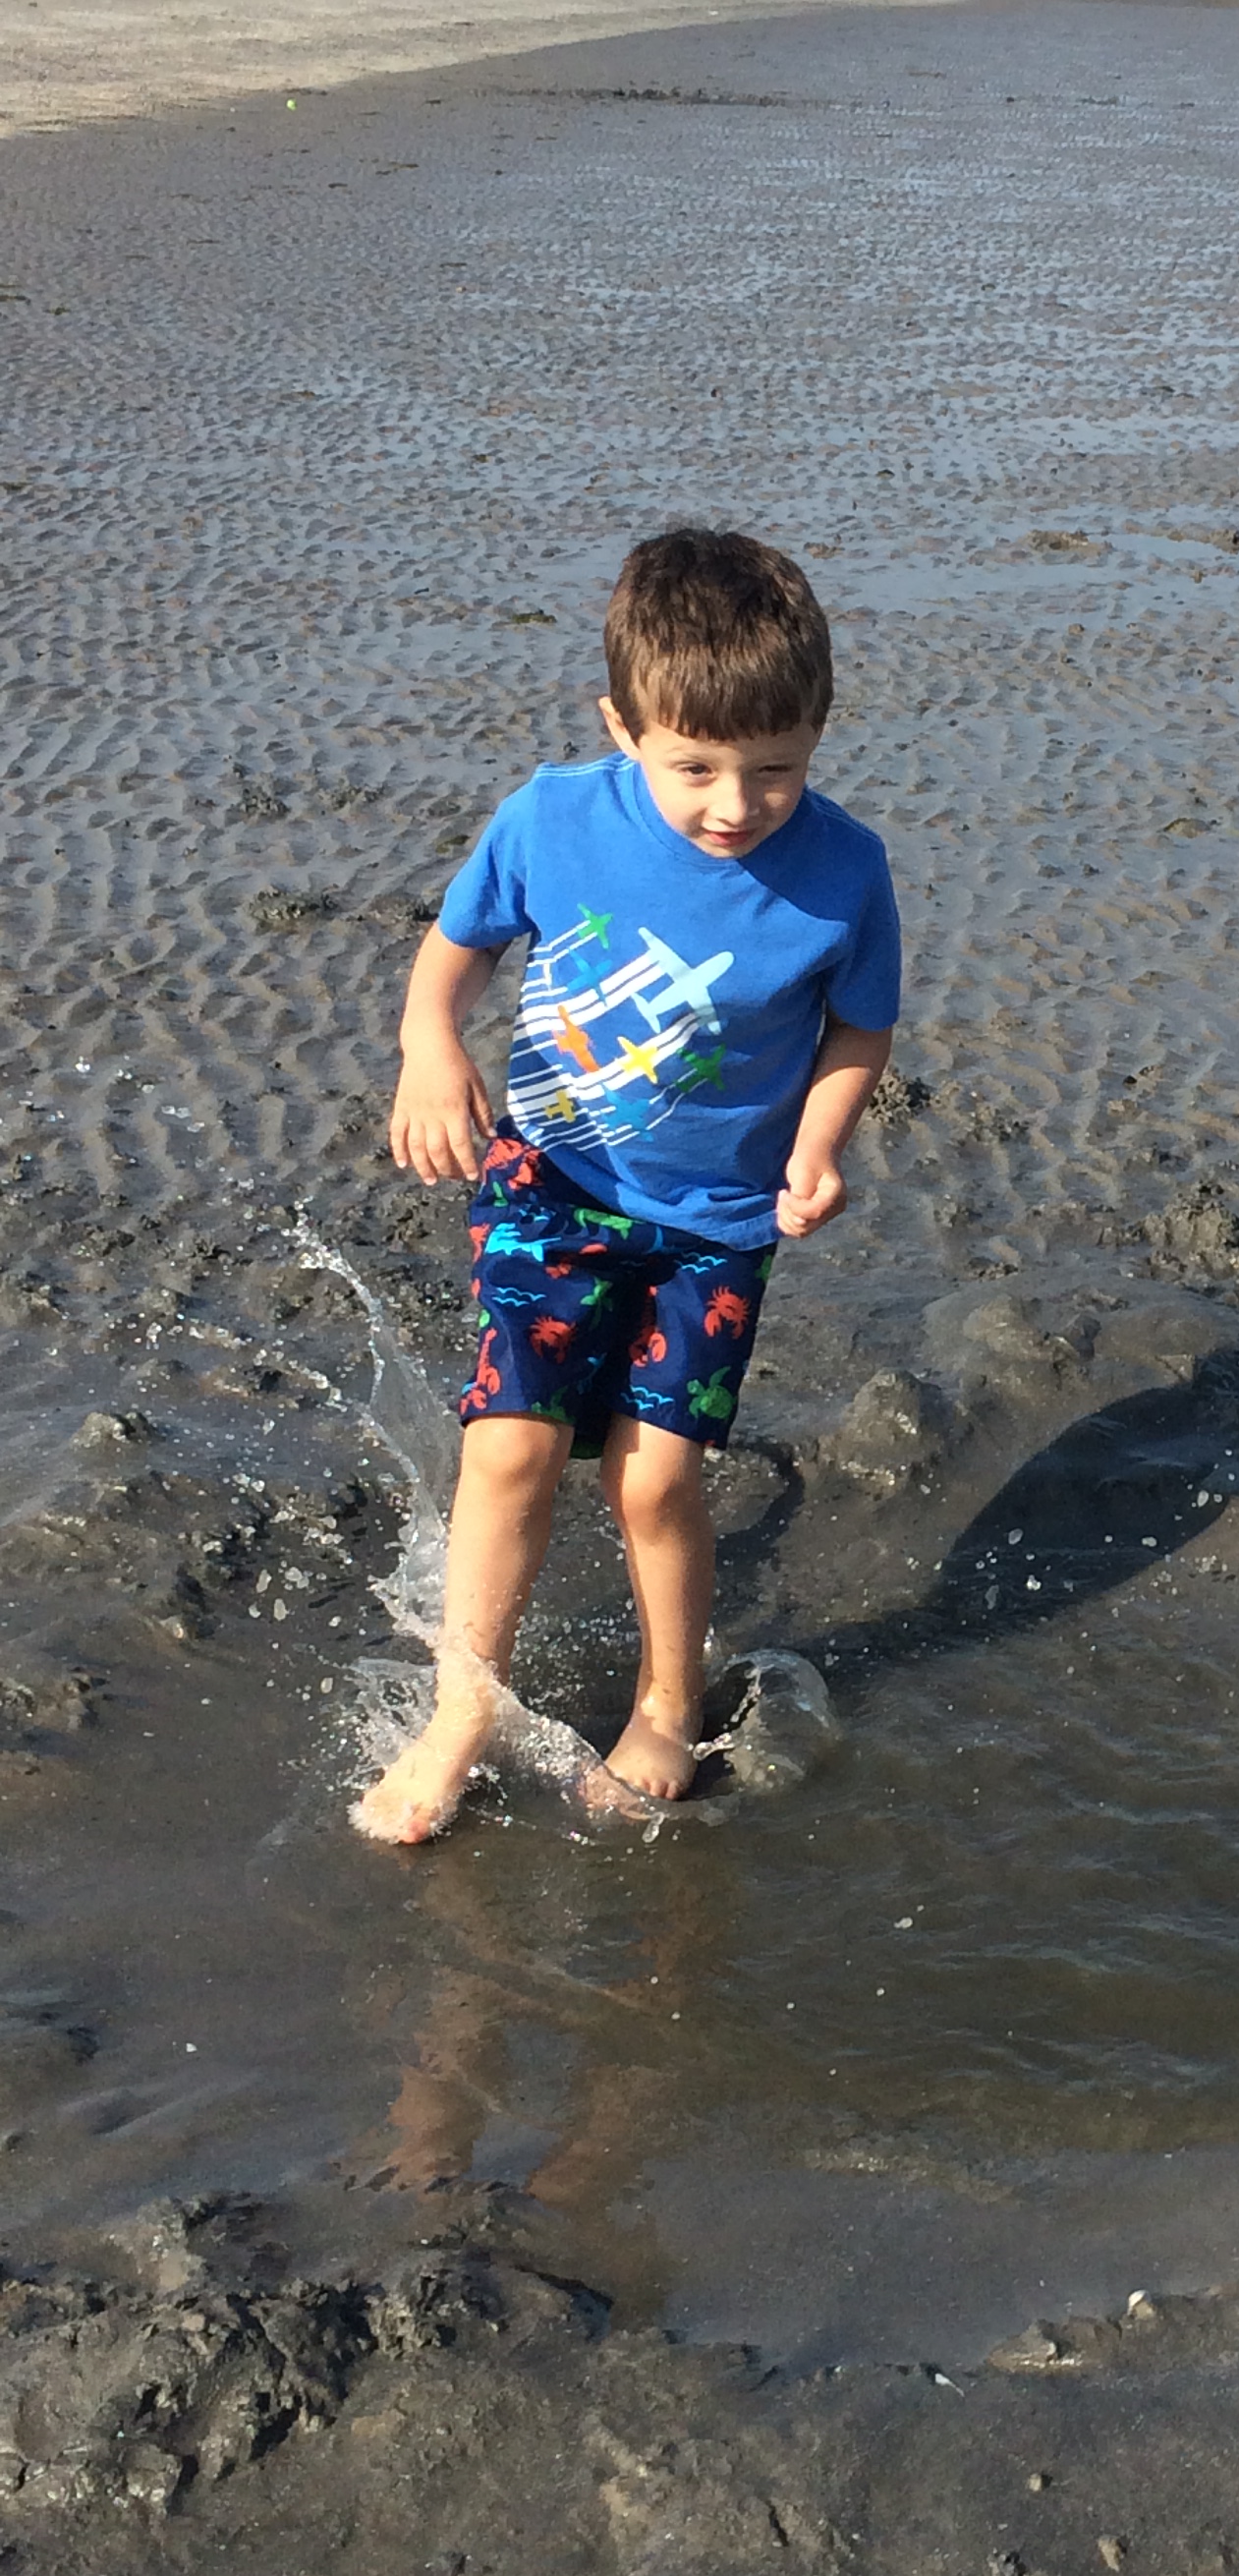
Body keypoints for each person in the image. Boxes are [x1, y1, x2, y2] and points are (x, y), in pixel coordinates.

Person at [354, 528, 900, 1845]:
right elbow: (454, 953)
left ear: (819, 733)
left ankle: (667, 1700)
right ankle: (461, 1709)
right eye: (694, 767)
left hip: (716, 1224)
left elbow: (859, 1028)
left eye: (776, 769)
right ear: (623, 727)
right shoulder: (553, 820)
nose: (735, 805)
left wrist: (821, 1141)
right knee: (513, 1447)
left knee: (653, 1484)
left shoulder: (844, 873)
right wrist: (430, 1048)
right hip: (550, 1179)